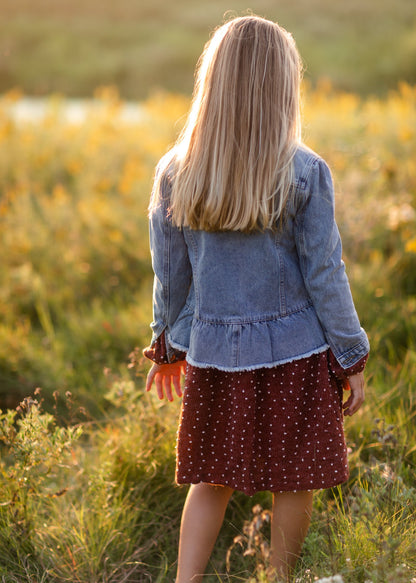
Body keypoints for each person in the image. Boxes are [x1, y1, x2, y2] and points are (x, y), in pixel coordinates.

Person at [143, 15, 369, 583]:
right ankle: (280, 579)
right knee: (294, 477)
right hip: (296, 351)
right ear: (283, 85)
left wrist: (167, 342)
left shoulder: (177, 171)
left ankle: (185, 581)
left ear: (212, 83)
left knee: (210, 479)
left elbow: (170, 275)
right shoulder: (305, 171)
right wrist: (351, 355)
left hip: (216, 352)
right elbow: (325, 274)